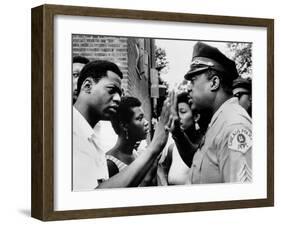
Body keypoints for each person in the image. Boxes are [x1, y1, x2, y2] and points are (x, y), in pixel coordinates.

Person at [73, 60, 172, 191]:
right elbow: (89, 198)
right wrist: (154, 146)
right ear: (87, 86)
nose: (118, 98)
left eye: (120, 93)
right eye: (111, 90)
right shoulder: (68, 132)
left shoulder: (97, 132)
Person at [177, 42, 252, 184]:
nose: (189, 88)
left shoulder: (235, 126)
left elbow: (241, 199)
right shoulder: (219, 120)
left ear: (214, 83)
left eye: (193, 80)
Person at [157, 92, 203, 185]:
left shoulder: (205, 145)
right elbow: (163, 171)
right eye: (176, 112)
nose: (177, 117)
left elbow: (195, 160)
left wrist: (177, 132)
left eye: (182, 112)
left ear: (196, 116)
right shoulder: (172, 149)